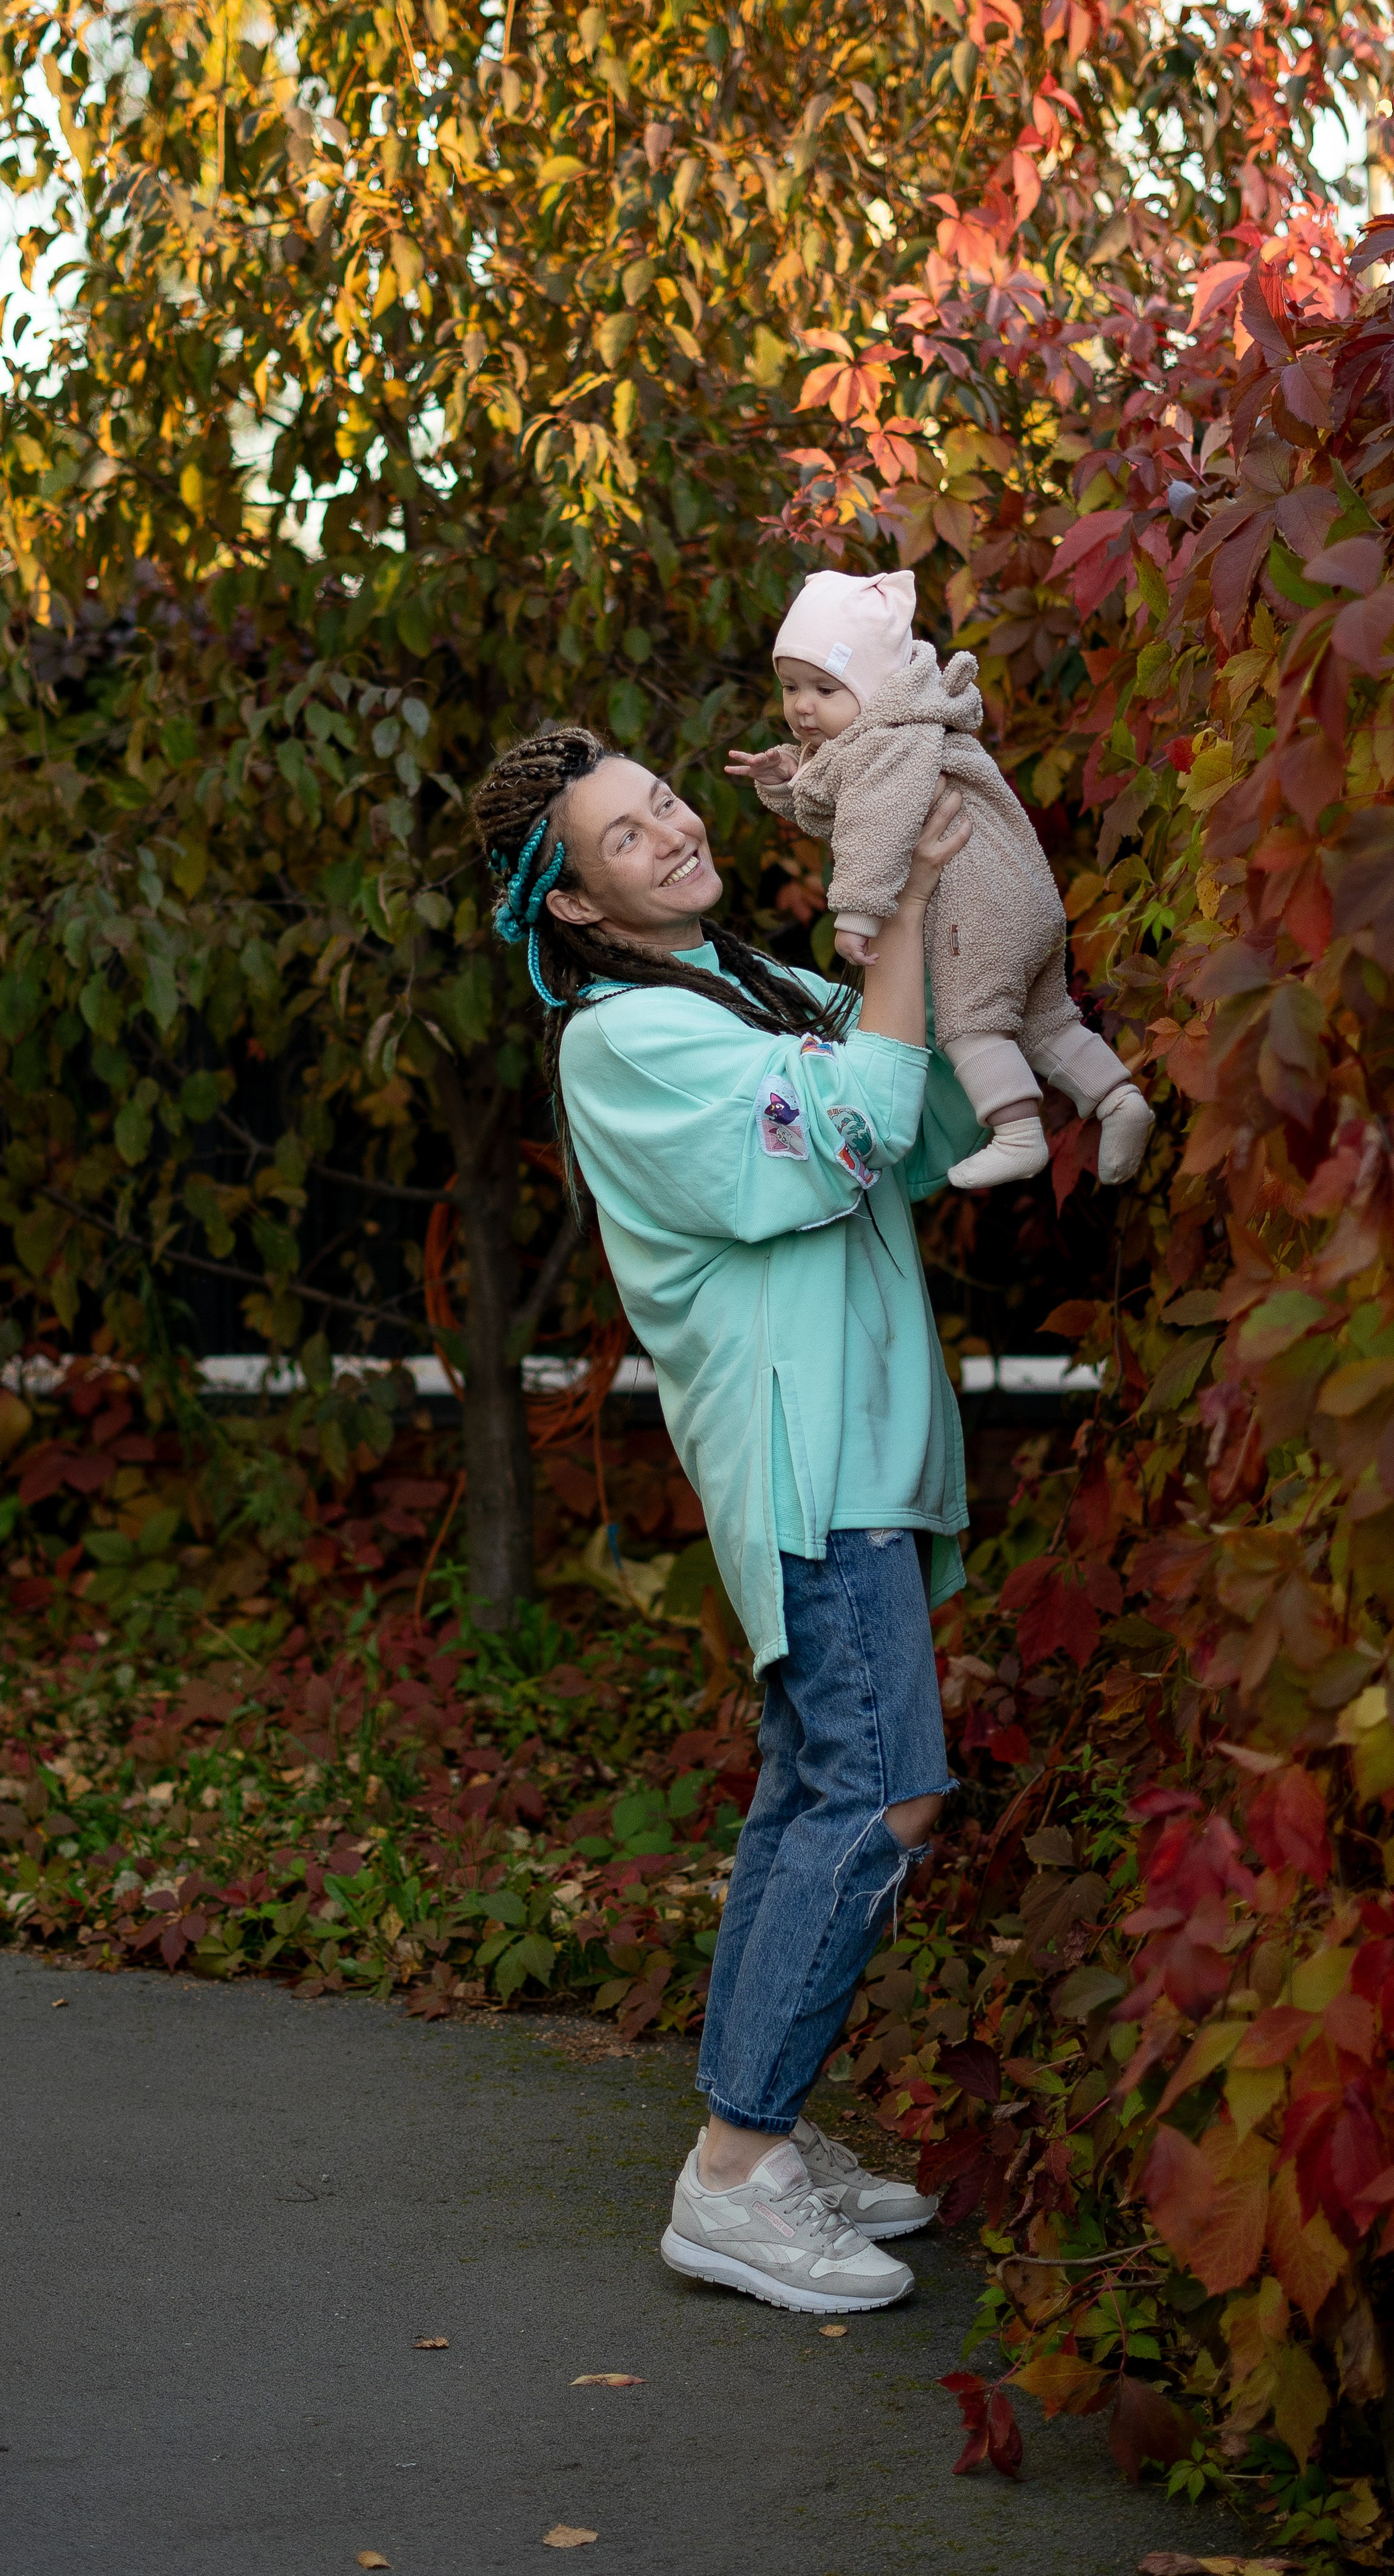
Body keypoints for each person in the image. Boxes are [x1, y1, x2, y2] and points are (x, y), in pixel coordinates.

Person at [470, 720, 982, 2316]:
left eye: (666, 799)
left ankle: (749, 2135)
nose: (674, 830)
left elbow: (933, 1116)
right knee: (886, 1792)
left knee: (809, 1789)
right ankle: (735, 2164)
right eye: (628, 835)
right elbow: (849, 1134)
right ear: (573, 902)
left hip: (860, 1442)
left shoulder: (738, 980)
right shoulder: (621, 1042)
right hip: (804, 1460)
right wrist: (893, 902)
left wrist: (888, 860)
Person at [725, 565, 1155, 1191]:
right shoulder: (914, 726)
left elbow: (874, 824)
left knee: (968, 1019)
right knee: (1045, 1020)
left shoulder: (890, 743)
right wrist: (788, 781)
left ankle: (1016, 1132)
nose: (803, 706)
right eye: (791, 687)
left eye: (824, 687)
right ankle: (1118, 1098)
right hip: (1025, 897)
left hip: (971, 907)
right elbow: (848, 804)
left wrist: (857, 911)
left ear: (874, 688)